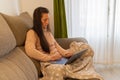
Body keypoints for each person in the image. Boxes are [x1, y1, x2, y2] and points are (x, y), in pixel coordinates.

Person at [25, 7, 103, 80]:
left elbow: (56, 46)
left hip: (60, 59)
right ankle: (75, 69)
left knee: (86, 50)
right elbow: (30, 50)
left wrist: (66, 53)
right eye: (45, 20)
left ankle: (73, 67)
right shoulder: (32, 33)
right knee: (59, 70)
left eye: (48, 19)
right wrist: (50, 58)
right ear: (38, 20)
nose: (47, 22)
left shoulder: (47, 32)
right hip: (49, 63)